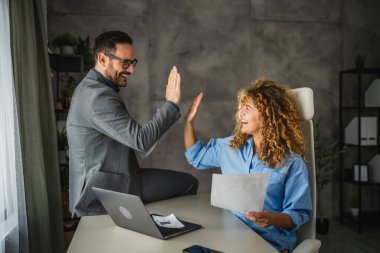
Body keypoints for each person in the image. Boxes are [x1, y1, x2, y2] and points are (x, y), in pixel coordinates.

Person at [67, 31, 198, 217]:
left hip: (109, 179)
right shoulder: (98, 97)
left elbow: (137, 140)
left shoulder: (91, 89)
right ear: (103, 59)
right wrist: (171, 103)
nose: (131, 70)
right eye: (125, 63)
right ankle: (159, 228)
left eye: (132, 62)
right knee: (189, 183)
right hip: (105, 188)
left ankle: (148, 224)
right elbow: (141, 141)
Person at [183, 79, 312, 253]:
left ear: (268, 115)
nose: (240, 113)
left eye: (247, 108)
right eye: (241, 107)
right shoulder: (229, 147)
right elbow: (196, 157)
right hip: (227, 240)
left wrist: (272, 219)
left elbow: (299, 213)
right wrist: (188, 123)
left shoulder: (292, 163)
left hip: (267, 244)